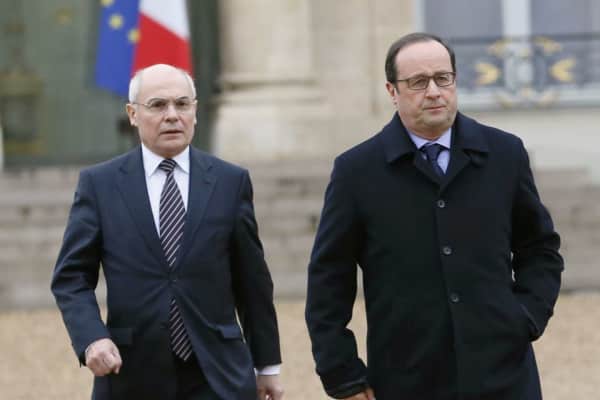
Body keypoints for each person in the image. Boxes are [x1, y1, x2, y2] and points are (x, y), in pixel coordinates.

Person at [305, 32, 563, 400]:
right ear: (392, 91)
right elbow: (329, 279)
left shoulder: (505, 154)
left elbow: (539, 248)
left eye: (443, 78)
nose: (434, 92)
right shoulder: (356, 171)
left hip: (503, 375)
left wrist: (526, 317)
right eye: (418, 82)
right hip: (407, 377)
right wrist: (342, 374)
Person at [51, 64, 284, 400]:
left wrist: (267, 366)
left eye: (182, 104)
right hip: (131, 374)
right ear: (132, 114)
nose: (172, 115)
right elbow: (71, 277)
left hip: (219, 376)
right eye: (158, 105)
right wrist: (92, 338)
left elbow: (252, 281)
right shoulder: (100, 185)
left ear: (195, 111)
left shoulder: (229, 182)